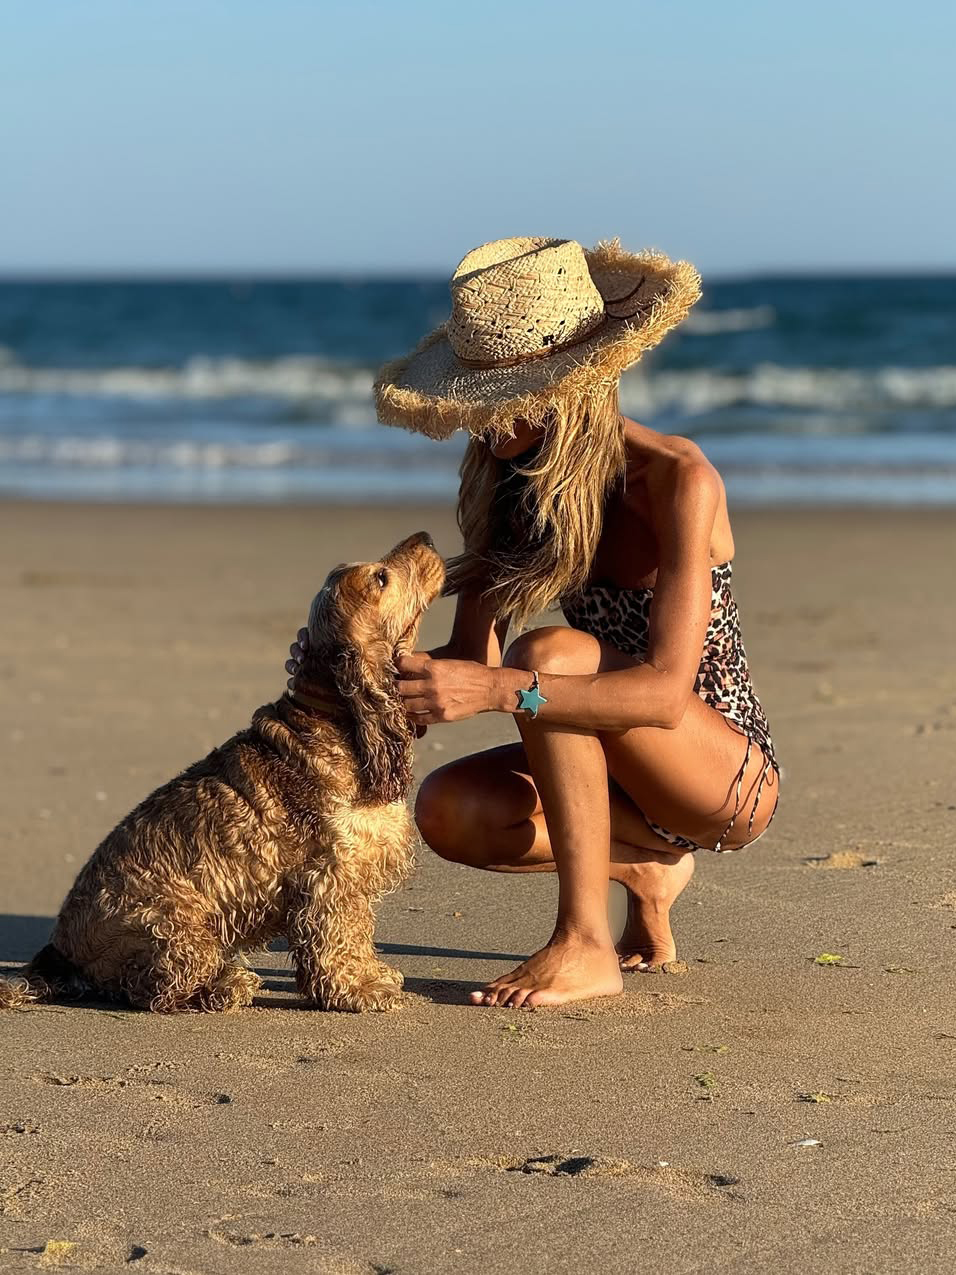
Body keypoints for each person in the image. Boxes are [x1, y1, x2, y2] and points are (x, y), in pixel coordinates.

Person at [290, 237, 779, 1009]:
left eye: (503, 397)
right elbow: (467, 658)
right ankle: (643, 867)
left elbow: (659, 695)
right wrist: (361, 672)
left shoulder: (679, 481)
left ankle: (587, 942)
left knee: (546, 652)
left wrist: (502, 688)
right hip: (606, 773)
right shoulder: (518, 479)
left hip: (718, 774)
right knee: (448, 812)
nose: (482, 422)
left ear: (568, 384)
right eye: (476, 400)